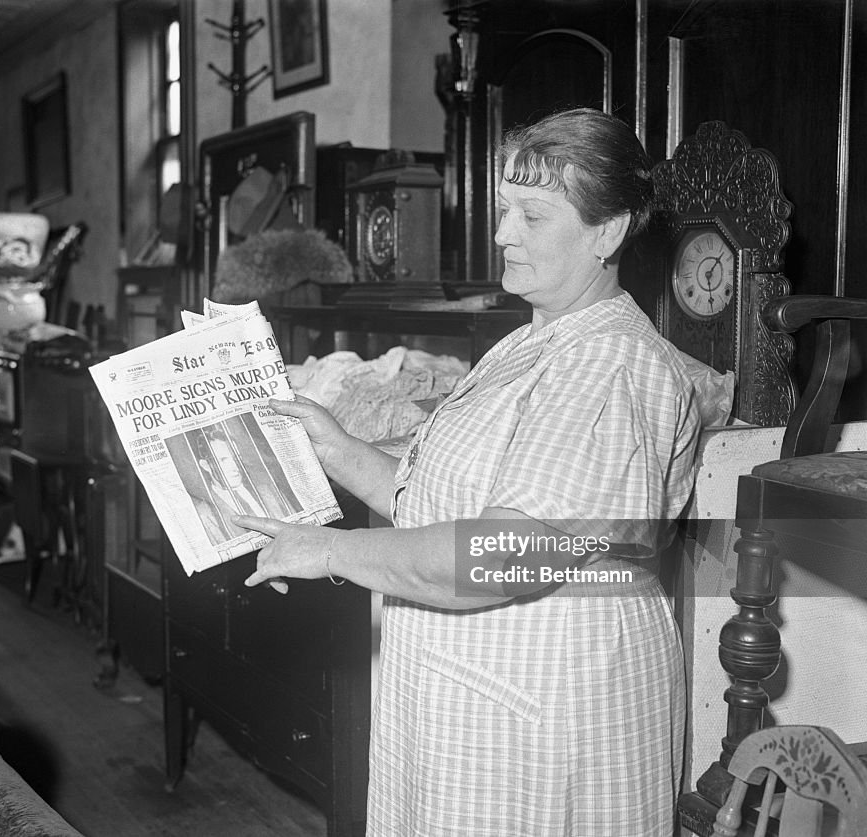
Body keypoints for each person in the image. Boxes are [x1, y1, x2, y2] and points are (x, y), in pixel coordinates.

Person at [236, 108, 701, 836]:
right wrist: (336, 446)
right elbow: (438, 497)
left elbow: (505, 554)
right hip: (481, 691)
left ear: (608, 232)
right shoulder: (531, 339)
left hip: (548, 706)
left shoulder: (610, 364)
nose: (502, 233)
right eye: (504, 208)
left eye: (533, 216)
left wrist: (328, 550)